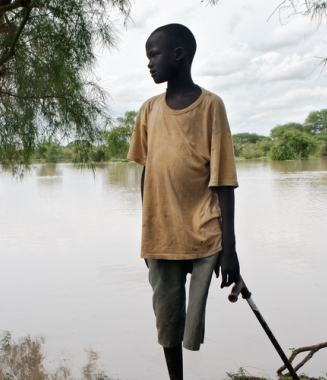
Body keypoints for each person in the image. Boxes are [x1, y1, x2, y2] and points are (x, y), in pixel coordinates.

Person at [127, 23, 240, 380]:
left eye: (154, 55)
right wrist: (147, 231)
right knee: (167, 316)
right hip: (161, 233)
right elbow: (148, 173)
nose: (149, 64)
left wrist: (231, 248)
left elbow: (223, 179)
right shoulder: (148, 111)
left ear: (179, 55)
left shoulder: (211, 106)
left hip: (204, 228)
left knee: (194, 318)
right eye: (148, 57)